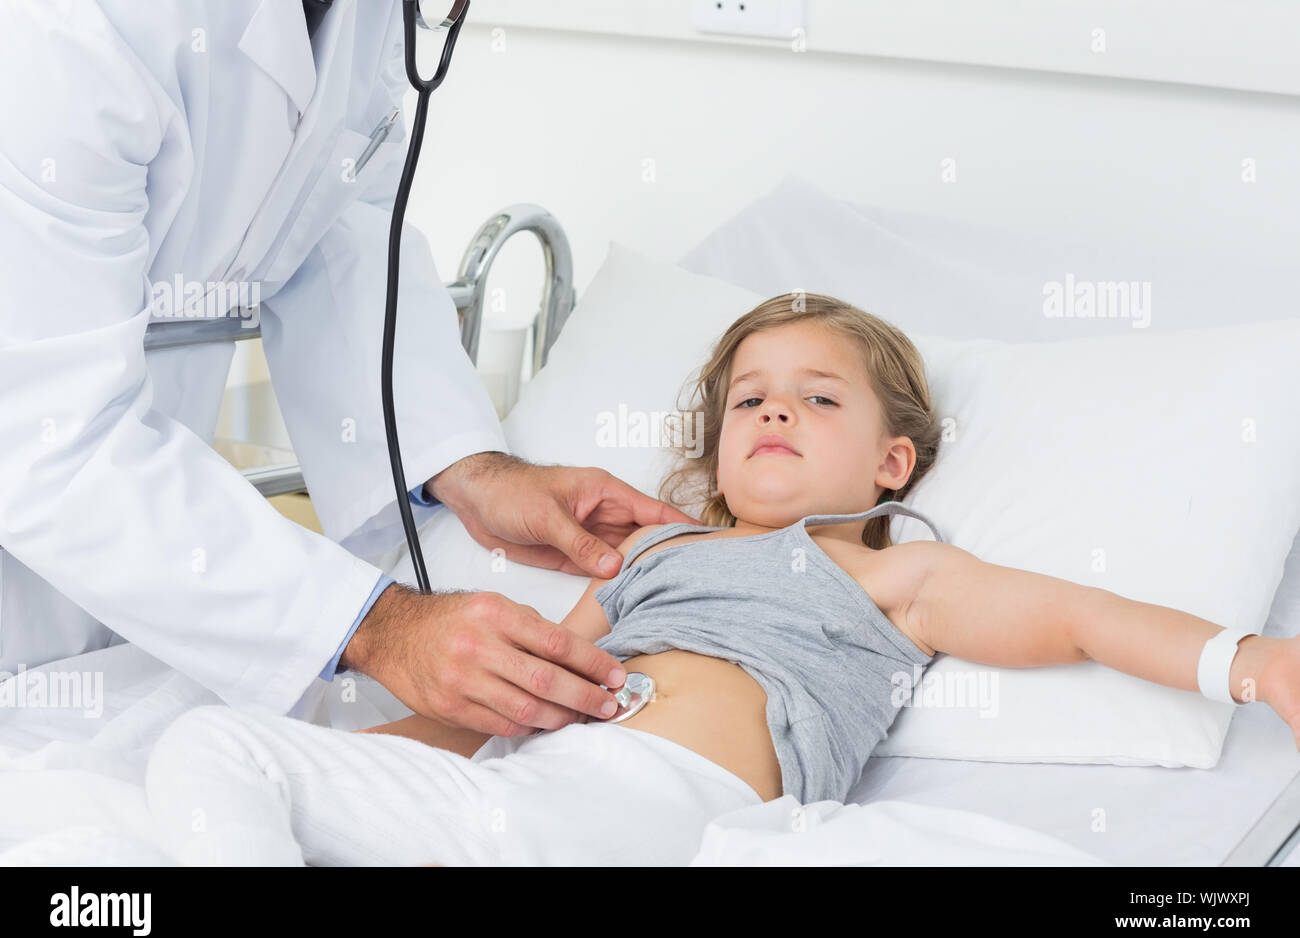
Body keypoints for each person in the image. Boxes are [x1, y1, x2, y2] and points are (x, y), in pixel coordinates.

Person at [143, 293, 1300, 865]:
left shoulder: (889, 574)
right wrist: (365, 768)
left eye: (817, 396)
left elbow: (1077, 617)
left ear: (891, 463)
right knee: (213, 746)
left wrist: (1248, 661)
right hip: (516, 792)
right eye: (751, 398)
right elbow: (506, 699)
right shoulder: (652, 554)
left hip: (657, 803)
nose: (776, 410)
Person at [0, 0, 696, 738]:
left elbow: (332, 224)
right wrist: (376, 627)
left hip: (134, 603)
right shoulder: (68, 28)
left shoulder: (362, 19)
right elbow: (50, 436)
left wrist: (468, 467)